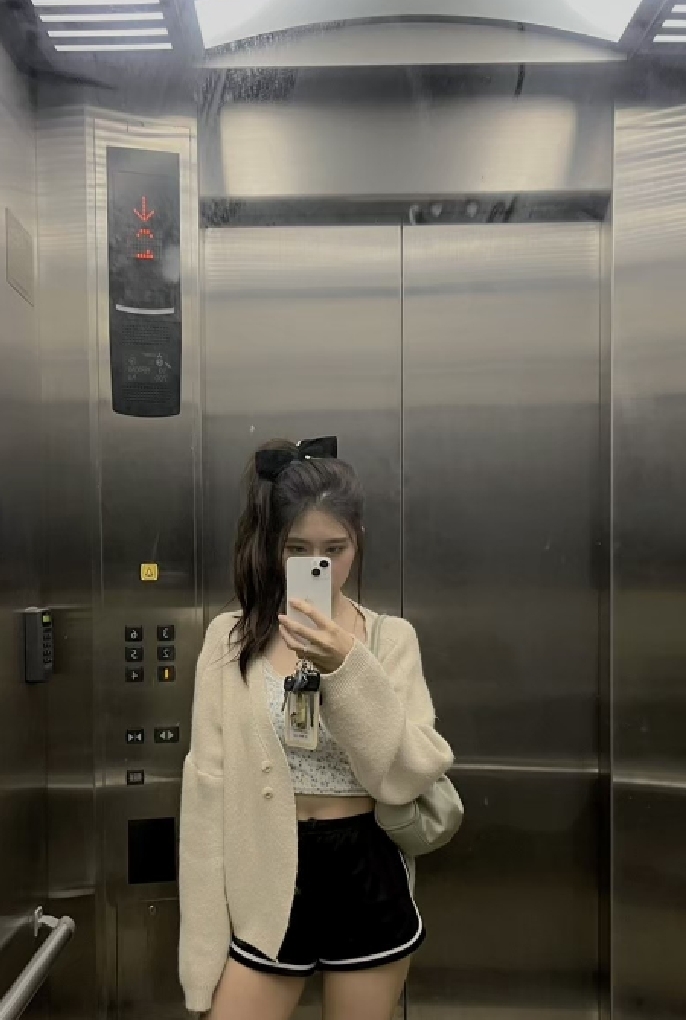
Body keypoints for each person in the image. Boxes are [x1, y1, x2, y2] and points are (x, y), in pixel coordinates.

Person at [178, 437, 454, 1020]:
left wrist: (346, 668)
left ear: (358, 543)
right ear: (274, 546)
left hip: (366, 869)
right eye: (298, 549)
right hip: (266, 874)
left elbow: (407, 774)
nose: (317, 566)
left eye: (335, 549)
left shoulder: (389, 639)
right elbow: (206, 798)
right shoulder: (230, 640)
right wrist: (199, 966)